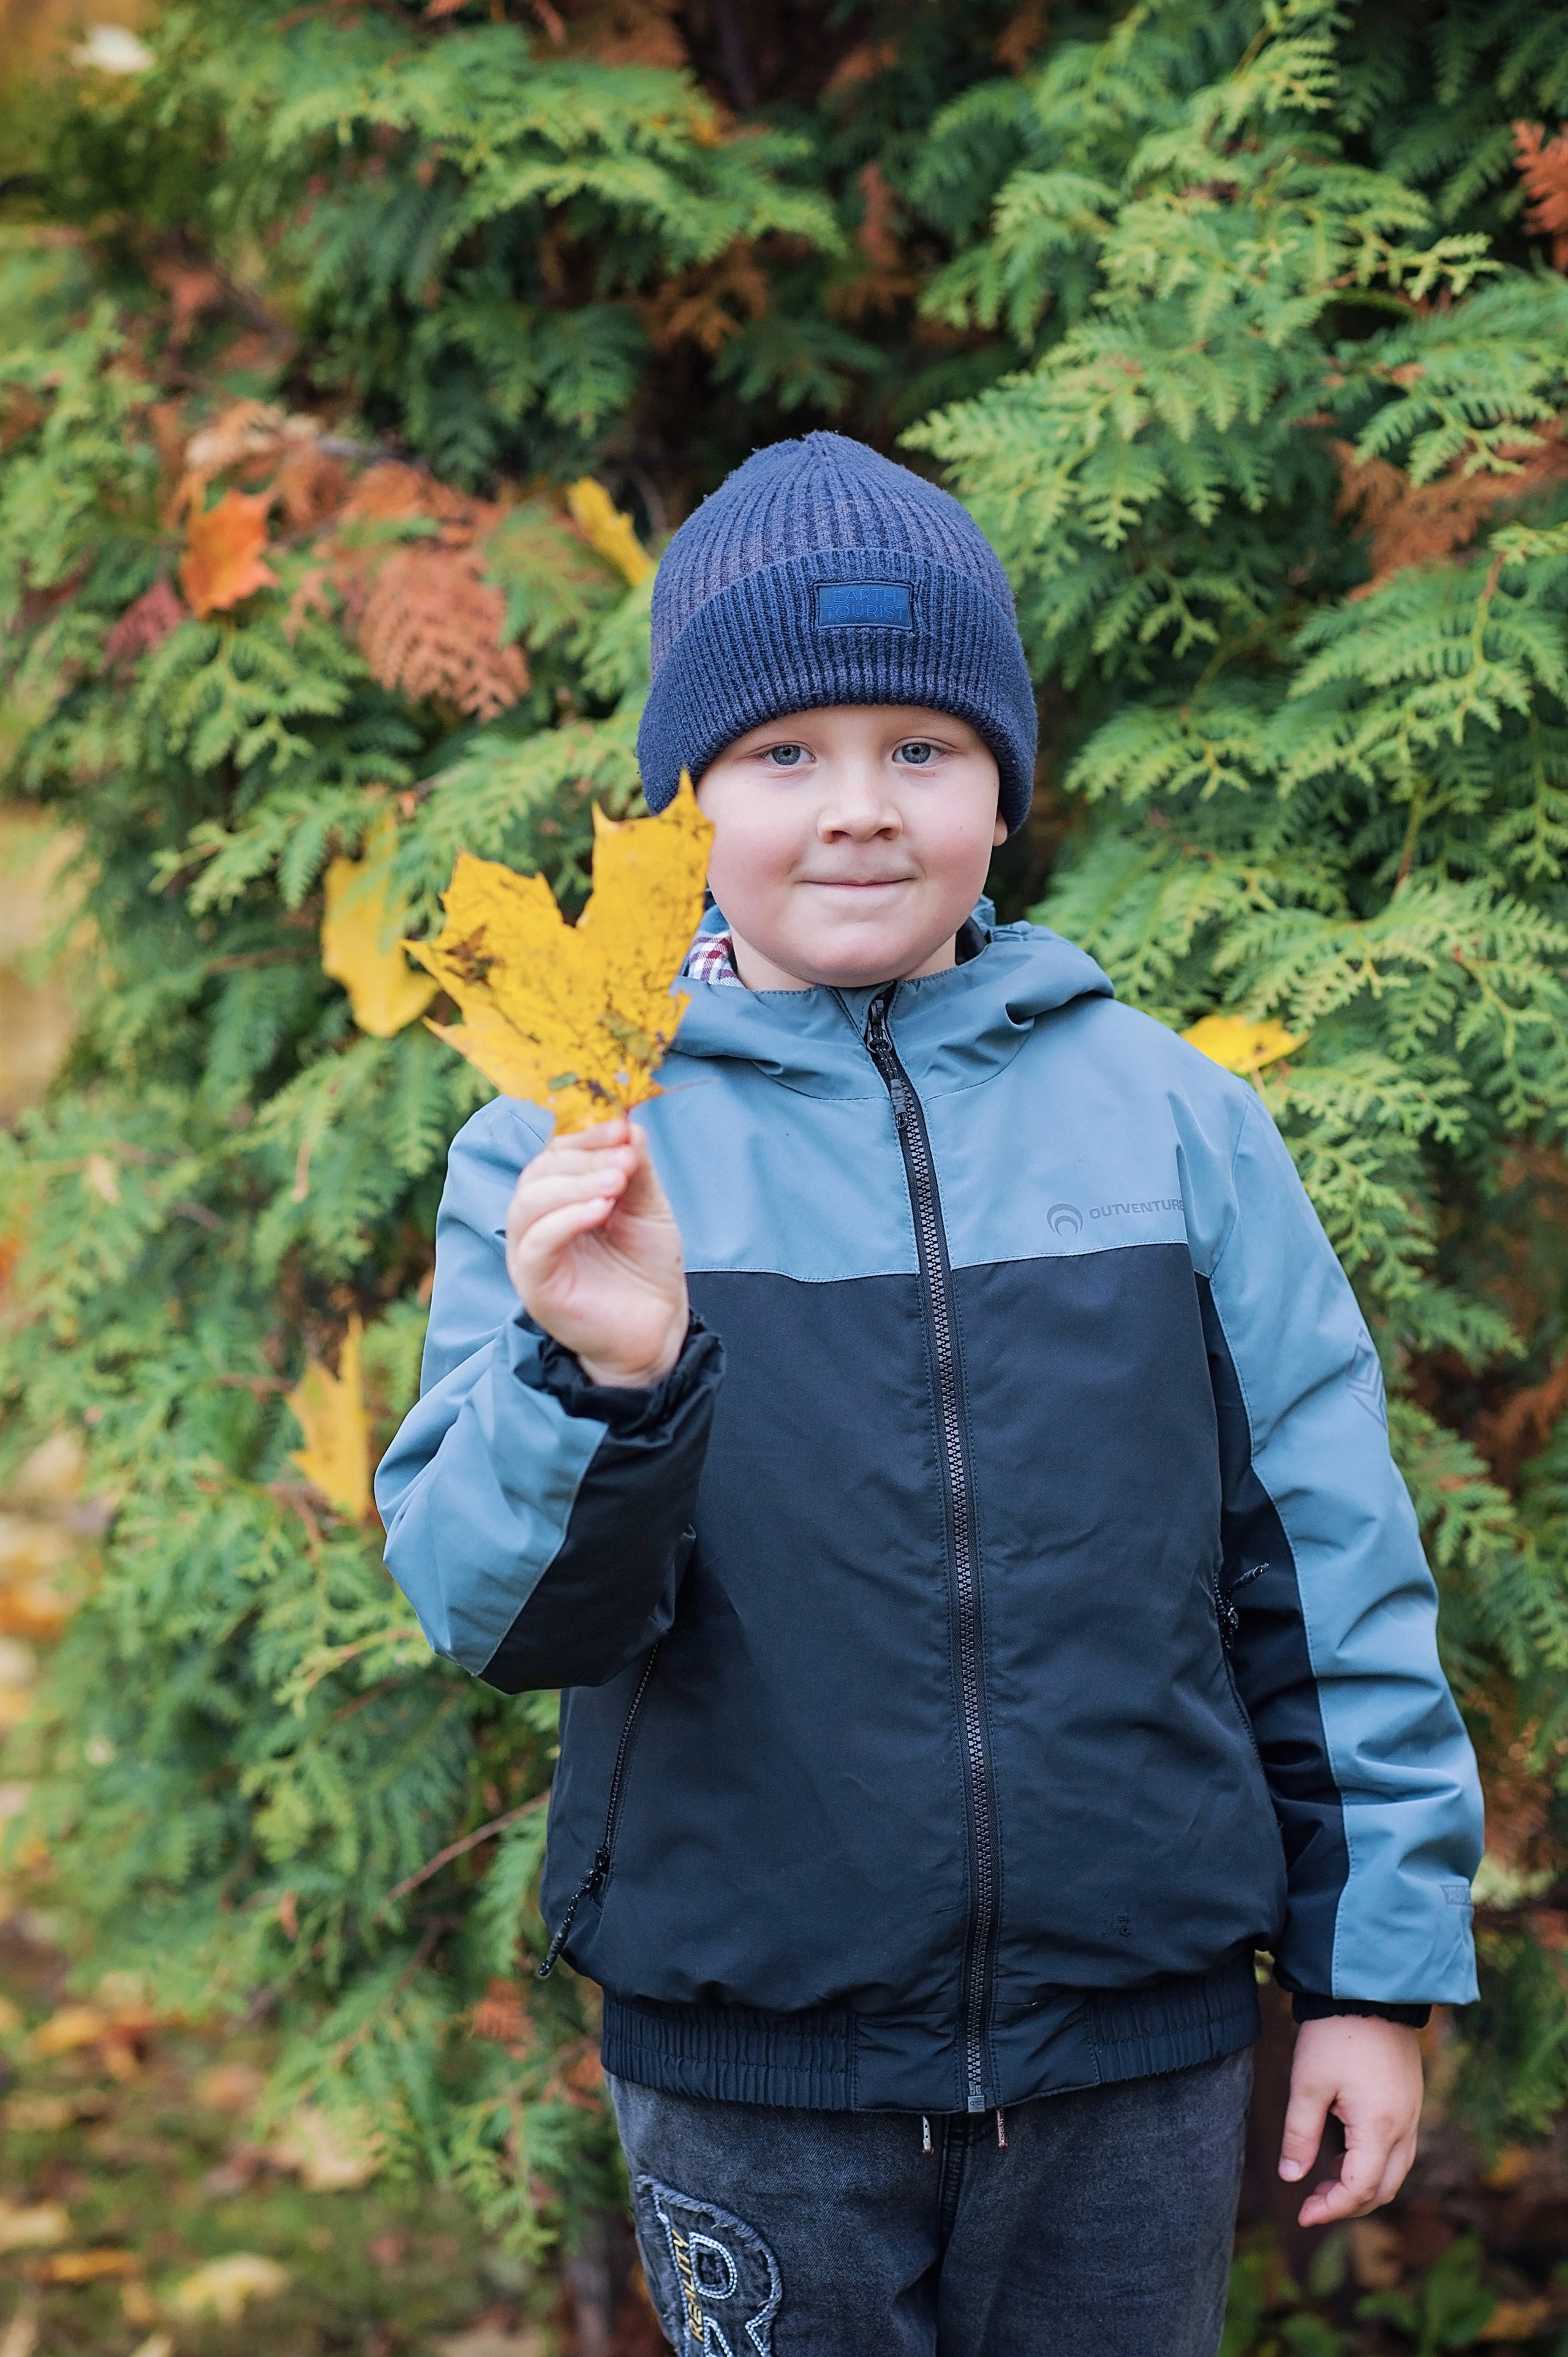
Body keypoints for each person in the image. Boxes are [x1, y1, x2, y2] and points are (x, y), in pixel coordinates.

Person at [376, 432, 1483, 2356]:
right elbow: (496, 1611)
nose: (860, 811)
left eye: (926, 749)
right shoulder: (572, 1149)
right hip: (753, 2062)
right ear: (688, 799)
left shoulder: (1175, 1121)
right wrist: (606, 1372)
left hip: (1134, 2047)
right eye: (785, 755)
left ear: (1005, 791)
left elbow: (1328, 1563)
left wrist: (1370, 1981)